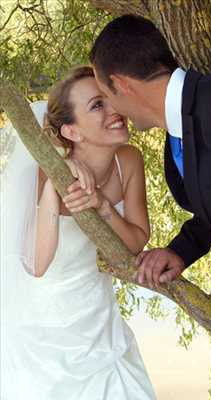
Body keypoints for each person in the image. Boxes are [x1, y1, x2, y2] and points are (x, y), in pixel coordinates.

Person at [72, 14, 211, 400]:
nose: (114, 111)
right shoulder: (175, 142)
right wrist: (180, 251)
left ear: (122, 85)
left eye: (105, 95)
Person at [1, 66, 156, 400]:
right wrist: (53, 188)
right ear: (71, 131)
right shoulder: (50, 170)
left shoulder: (128, 160)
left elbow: (135, 241)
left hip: (97, 315)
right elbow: (38, 265)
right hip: (42, 324)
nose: (115, 110)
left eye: (110, 99)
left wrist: (102, 206)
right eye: (98, 105)